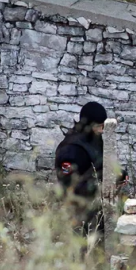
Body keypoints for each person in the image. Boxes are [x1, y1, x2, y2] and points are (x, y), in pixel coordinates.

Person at [54, 101, 126, 236]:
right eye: (98, 126)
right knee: (81, 246)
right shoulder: (70, 150)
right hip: (79, 209)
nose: (101, 130)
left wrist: (118, 175)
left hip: (96, 207)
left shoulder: (95, 139)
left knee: (98, 243)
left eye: (102, 126)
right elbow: (68, 185)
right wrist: (100, 186)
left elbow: (101, 164)